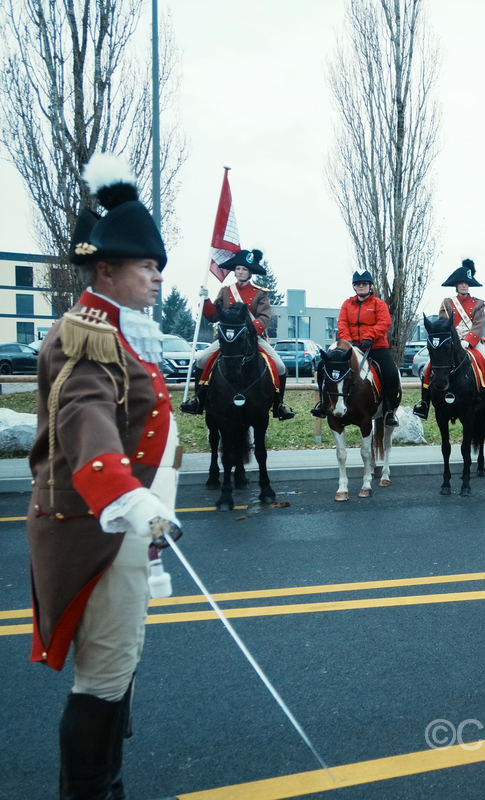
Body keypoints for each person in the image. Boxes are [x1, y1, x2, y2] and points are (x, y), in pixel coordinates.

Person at [28, 154, 183, 797]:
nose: (157, 277)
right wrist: (128, 497)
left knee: (120, 663)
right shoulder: (85, 334)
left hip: (125, 528)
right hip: (99, 526)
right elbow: (84, 416)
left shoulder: (122, 332)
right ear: (106, 270)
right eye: (145, 266)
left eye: (157, 266)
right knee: (105, 672)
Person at [179, 249, 294, 420]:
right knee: (202, 360)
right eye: (238, 268)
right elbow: (214, 316)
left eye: (244, 269)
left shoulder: (260, 293)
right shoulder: (225, 291)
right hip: (228, 339)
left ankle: (279, 405)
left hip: (253, 338)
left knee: (280, 366)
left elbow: (264, 318)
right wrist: (205, 300)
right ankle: (198, 400)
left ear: (250, 272)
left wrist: (249, 331)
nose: (240, 272)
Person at [413, 259, 485, 420]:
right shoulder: (447, 303)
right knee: (429, 367)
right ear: (456, 285)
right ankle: (424, 403)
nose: (464, 285)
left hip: (472, 342)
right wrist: (454, 340)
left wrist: (468, 340)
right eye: (461, 283)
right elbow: (443, 323)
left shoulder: (478, 304)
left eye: (466, 283)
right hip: (450, 343)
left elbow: (478, 325)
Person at [312, 270, 401, 427]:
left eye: (364, 283)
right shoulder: (347, 304)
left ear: (370, 286)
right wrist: (348, 341)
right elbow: (342, 323)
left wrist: (369, 337)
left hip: (375, 346)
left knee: (392, 373)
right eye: (358, 284)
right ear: (354, 286)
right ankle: (322, 404)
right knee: (322, 366)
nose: (361, 286)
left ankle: (389, 411)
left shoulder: (379, 304)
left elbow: (384, 322)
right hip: (351, 348)